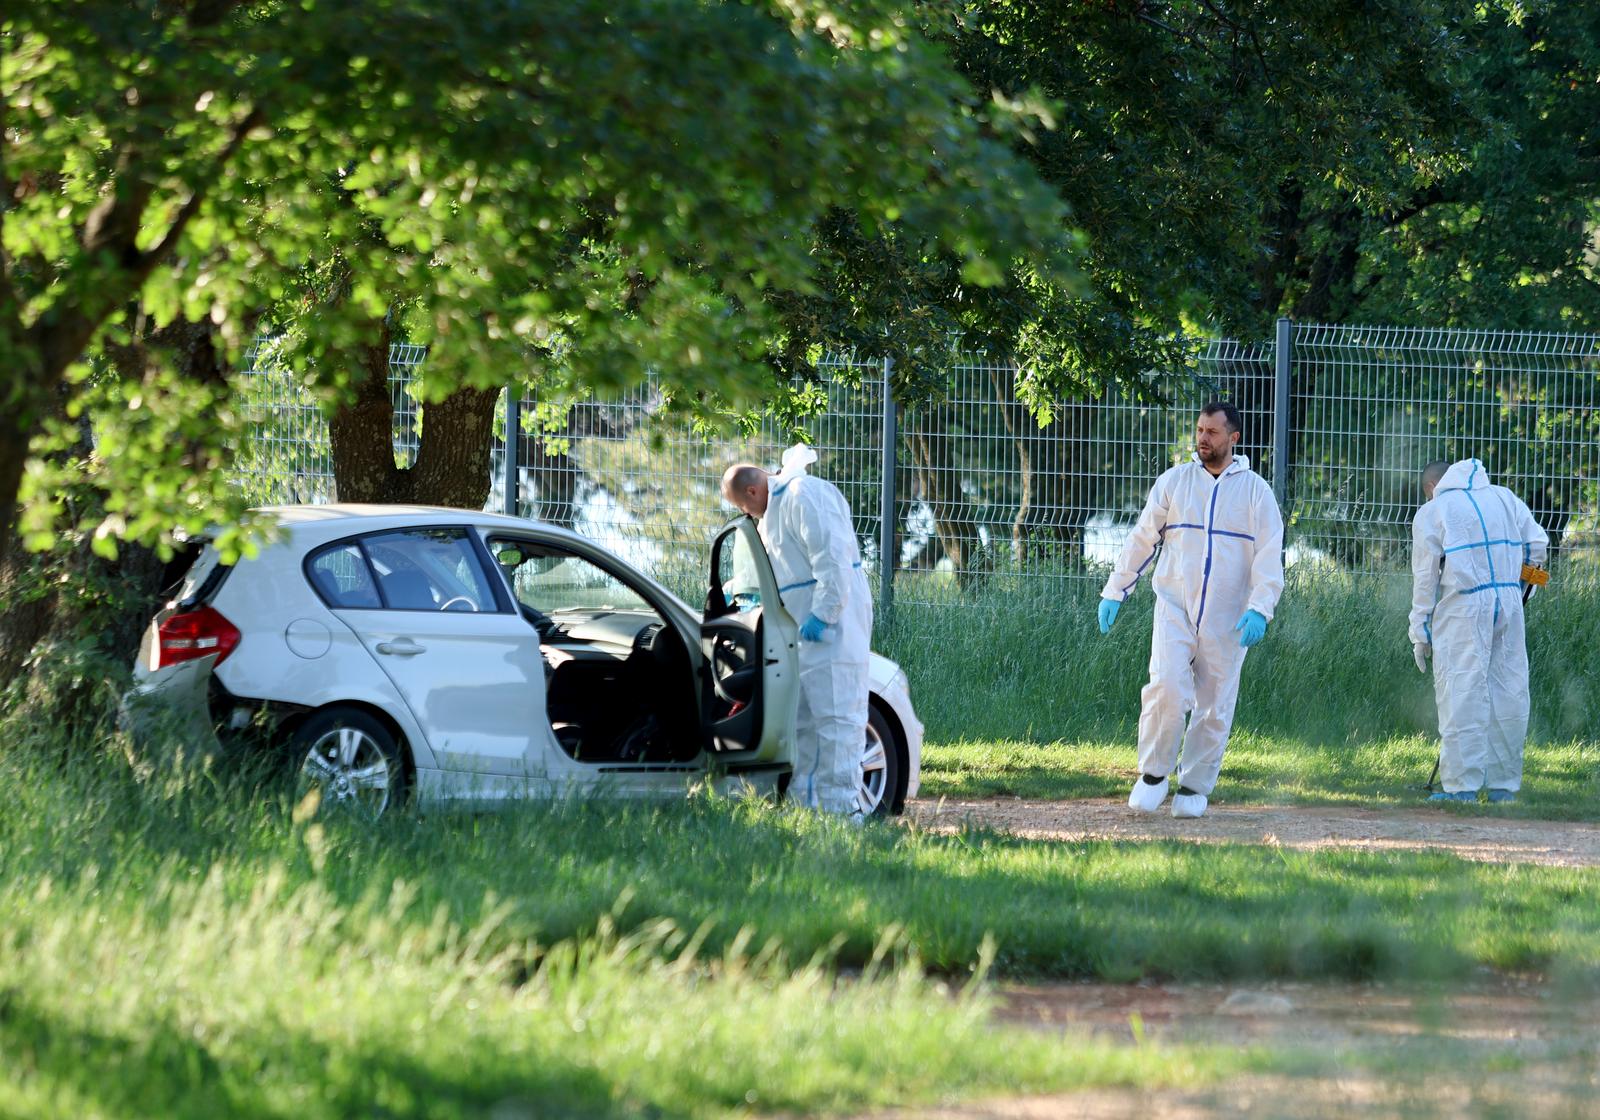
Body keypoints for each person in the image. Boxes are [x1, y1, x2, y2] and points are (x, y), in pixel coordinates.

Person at [1097, 401, 1284, 819]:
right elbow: (1143, 538)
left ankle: (1194, 785)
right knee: (1165, 687)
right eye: (1200, 429)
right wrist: (1116, 590)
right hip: (1174, 607)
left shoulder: (1256, 492)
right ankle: (1153, 775)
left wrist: (1260, 609)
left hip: (1229, 616)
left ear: (1233, 438)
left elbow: (1270, 557)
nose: (1203, 438)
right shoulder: (1174, 482)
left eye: (1212, 432)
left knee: (1214, 703)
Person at [721, 445, 872, 819]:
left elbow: (832, 561)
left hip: (833, 629)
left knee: (838, 719)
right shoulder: (773, 513)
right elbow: (786, 572)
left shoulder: (805, 495)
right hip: (803, 636)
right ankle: (807, 809)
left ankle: (841, 812)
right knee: (804, 723)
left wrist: (824, 614)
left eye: (742, 505)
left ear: (753, 491)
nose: (744, 513)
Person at [1409, 458, 1548, 804]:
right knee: (1509, 691)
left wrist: (1419, 629)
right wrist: (1522, 589)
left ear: (1431, 488)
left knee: (1461, 691)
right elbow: (1537, 547)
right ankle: (1504, 787)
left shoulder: (1434, 510)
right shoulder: (1504, 497)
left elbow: (1425, 577)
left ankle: (1461, 788)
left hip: (1463, 607)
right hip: (1508, 602)